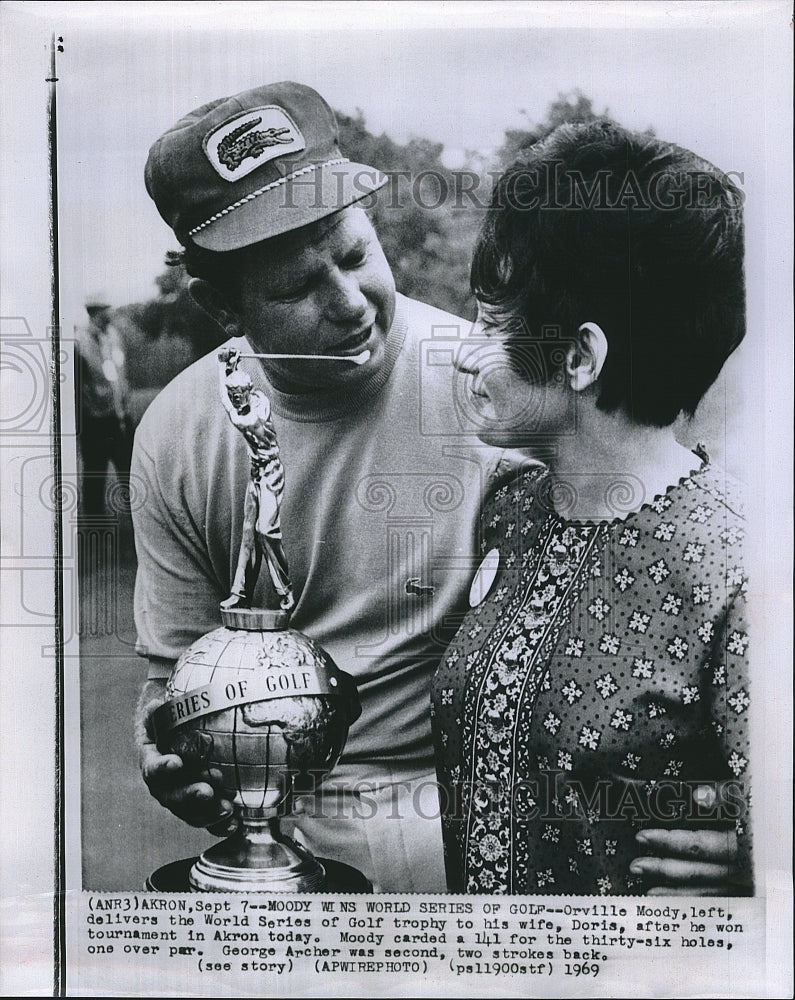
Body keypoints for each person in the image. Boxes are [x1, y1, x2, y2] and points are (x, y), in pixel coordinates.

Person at [134, 81, 738, 893]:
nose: (348, 303)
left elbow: (653, 583)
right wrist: (167, 748)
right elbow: (171, 672)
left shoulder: (506, 396)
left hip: (460, 815)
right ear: (220, 307)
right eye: (295, 289)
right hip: (279, 831)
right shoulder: (178, 433)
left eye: (354, 256)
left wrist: (750, 833)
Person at [431, 121, 752, 895]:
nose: (466, 350)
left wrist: (766, 873)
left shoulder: (739, 568)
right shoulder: (508, 511)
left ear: (578, 357)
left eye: (492, 320)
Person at [217, 346, 294, 612]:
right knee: (248, 535)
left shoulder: (253, 413)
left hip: (271, 472)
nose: (235, 399)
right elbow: (227, 395)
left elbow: (232, 407)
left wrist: (224, 368)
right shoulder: (250, 401)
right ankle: (240, 593)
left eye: (238, 395)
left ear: (248, 392)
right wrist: (229, 368)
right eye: (233, 395)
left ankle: (284, 591)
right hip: (255, 473)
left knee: (266, 531)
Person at [75, 296, 133, 516]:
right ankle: (95, 525)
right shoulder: (80, 341)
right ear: (95, 312)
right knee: (95, 473)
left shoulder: (113, 336)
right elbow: (79, 384)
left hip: (120, 415)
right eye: (106, 309)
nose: (110, 313)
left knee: (129, 468)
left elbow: (120, 370)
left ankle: (140, 520)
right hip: (96, 420)